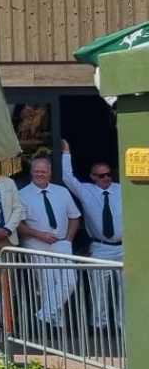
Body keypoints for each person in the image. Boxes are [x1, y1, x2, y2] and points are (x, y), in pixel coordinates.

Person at [60, 140, 122, 332]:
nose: (106, 178)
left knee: (124, 290)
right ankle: (99, 327)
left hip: (123, 247)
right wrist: (67, 153)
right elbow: (68, 177)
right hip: (100, 247)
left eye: (109, 174)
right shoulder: (86, 191)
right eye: (102, 175)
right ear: (92, 177)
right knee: (99, 290)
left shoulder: (121, 190)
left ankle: (123, 326)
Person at [14, 153, 78, 329]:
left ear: (49, 172)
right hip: (37, 245)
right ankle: (55, 328)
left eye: (43, 171)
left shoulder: (62, 192)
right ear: (31, 173)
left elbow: (74, 217)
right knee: (48, 285)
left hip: (61, 243)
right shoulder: (22, 195)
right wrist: (38, 234)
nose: (40, 174)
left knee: (69, 281)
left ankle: (43, 316)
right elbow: (18, 224)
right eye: (36, 171)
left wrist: (68, 239)